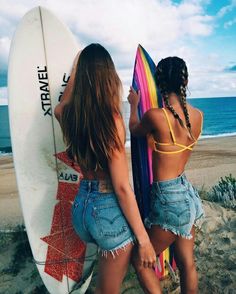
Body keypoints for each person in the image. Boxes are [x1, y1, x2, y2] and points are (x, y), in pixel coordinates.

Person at [54, 43, 156, 294]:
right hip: (106, 209)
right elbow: (121, 186)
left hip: (81, 210)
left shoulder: (69, 114)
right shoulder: (112, 120)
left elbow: (61, 104)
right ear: (109, 76)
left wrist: (78, 66)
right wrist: (144, 240)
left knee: (112, 261)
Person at [128, 56, 204, 294]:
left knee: (140, 261)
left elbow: (134, 130)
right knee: (187, 264)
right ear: (186, 80)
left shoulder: (155, 116)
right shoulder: (198, 116)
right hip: (188, 196)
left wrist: (133, 105)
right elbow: (168, 148)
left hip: (169, 199)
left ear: (159, 84)